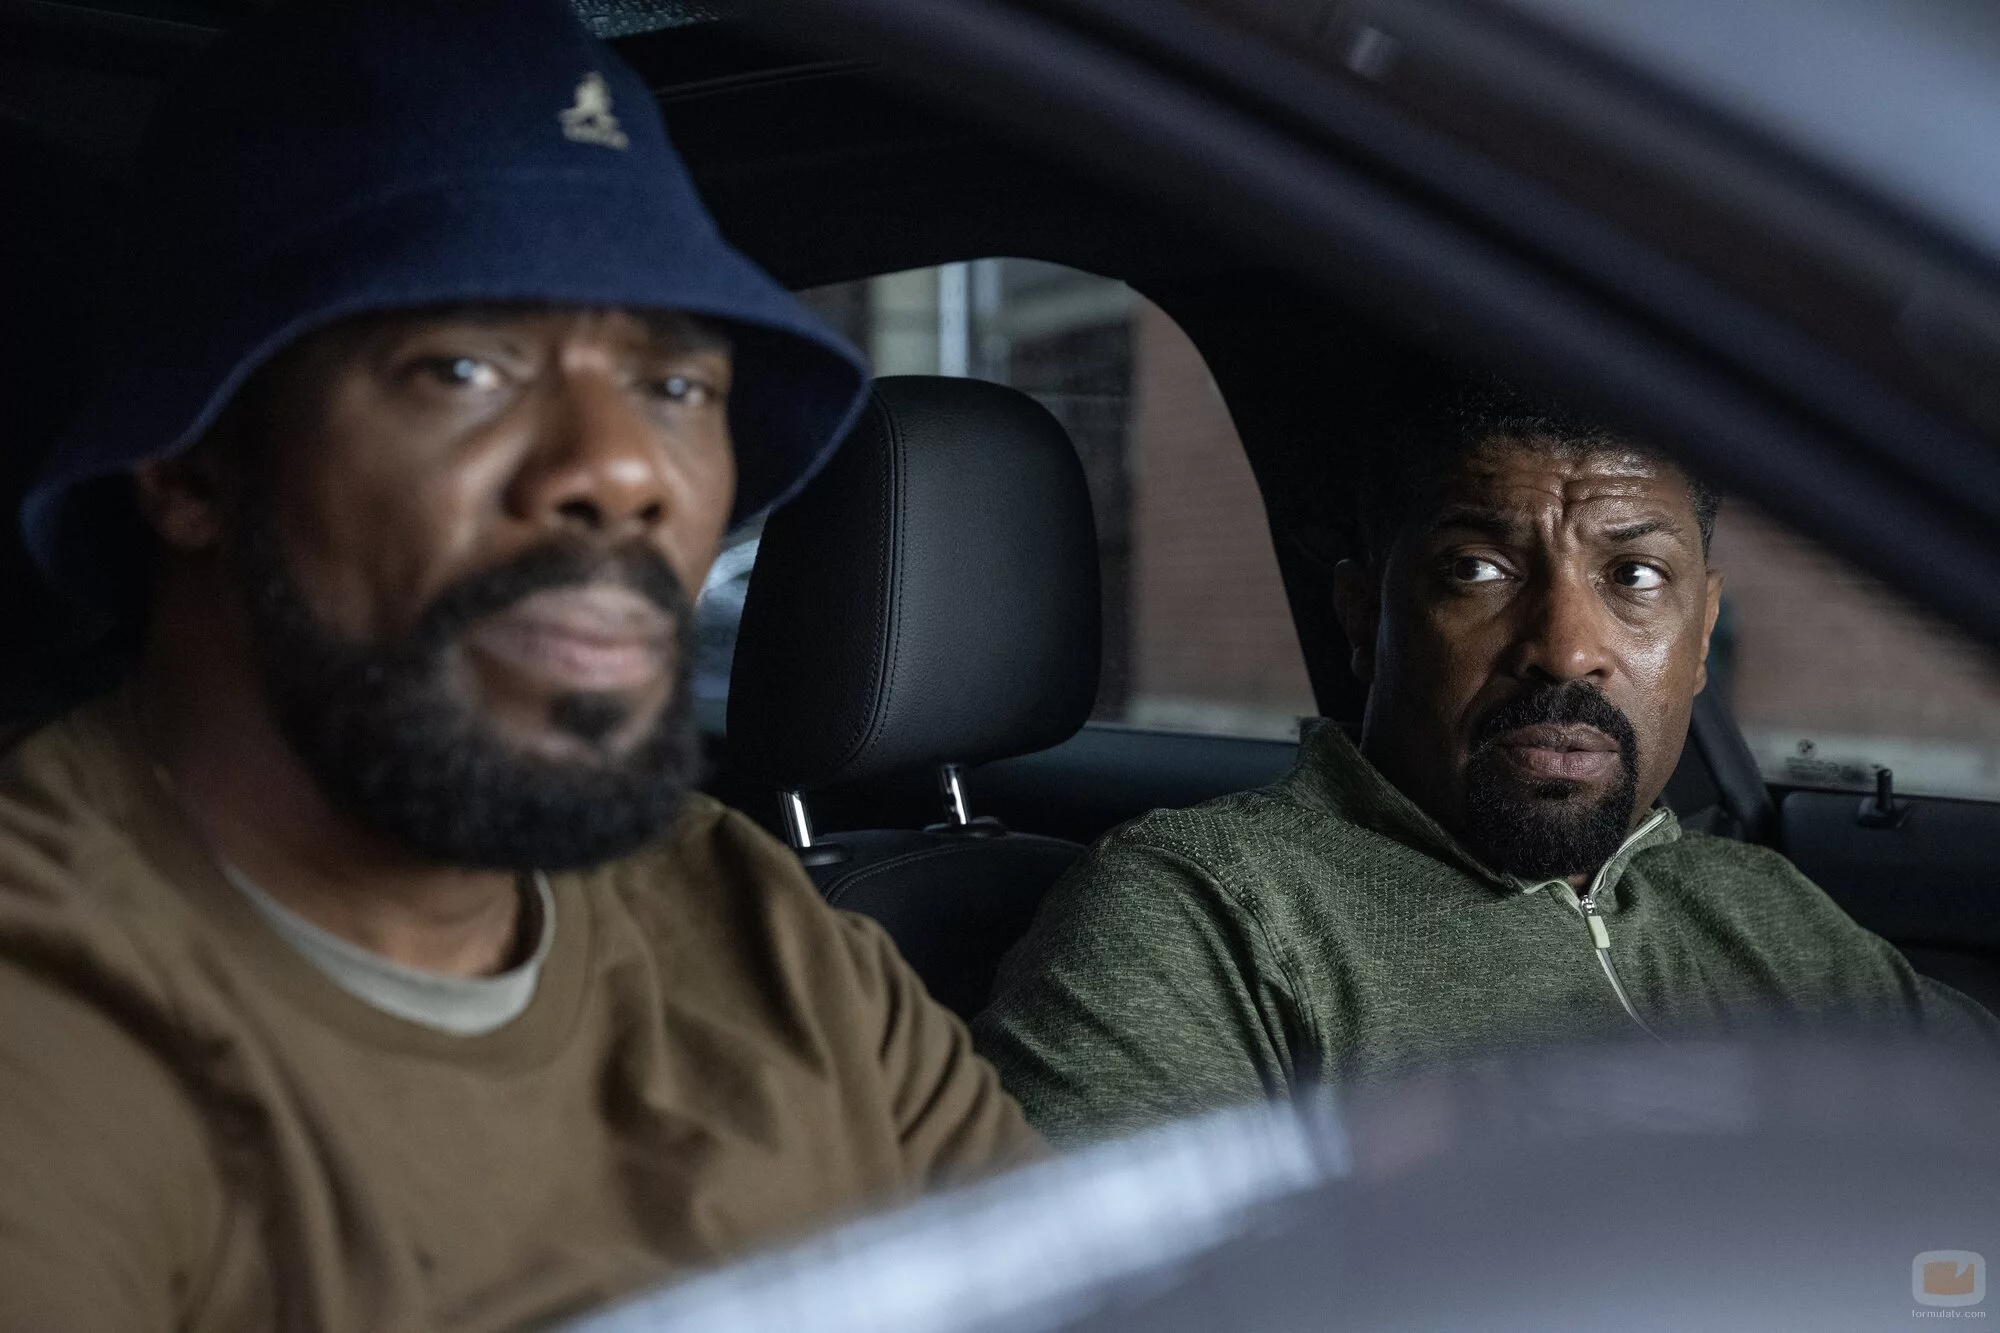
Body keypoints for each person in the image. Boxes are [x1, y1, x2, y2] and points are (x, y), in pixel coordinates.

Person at [0, 3, 1041, 1328]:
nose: (620, 468)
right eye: (463, 367)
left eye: (674, 388)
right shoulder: (49, 1005)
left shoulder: (754, 926)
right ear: (190, 468)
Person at [974, 374, 1998, 1145]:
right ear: (1363, 618)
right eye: (1478, 568)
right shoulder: (1205, 913)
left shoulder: (1765, 911)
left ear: (1700, 636)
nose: (1565, 646)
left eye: (1635, 575)